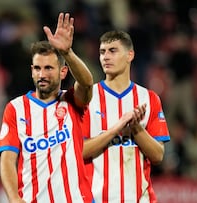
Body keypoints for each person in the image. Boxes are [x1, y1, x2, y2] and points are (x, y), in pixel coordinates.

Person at [0, 13, 94, 203]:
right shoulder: (15, 108)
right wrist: (14, 198)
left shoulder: (72, 100)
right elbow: (7, 160)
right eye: (37, 68)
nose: (42, 74)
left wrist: (67, 53)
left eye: (48, 68)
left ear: (63, 72)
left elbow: (87, 84)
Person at [83, 30, 170, 202]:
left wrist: (136, 128)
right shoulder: (88, 97)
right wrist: (116, 129)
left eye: (112, 51)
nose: (105, 57)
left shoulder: (149, 98)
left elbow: (158, 155)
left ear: (130, 55)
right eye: (102, 52)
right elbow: (80, 151)